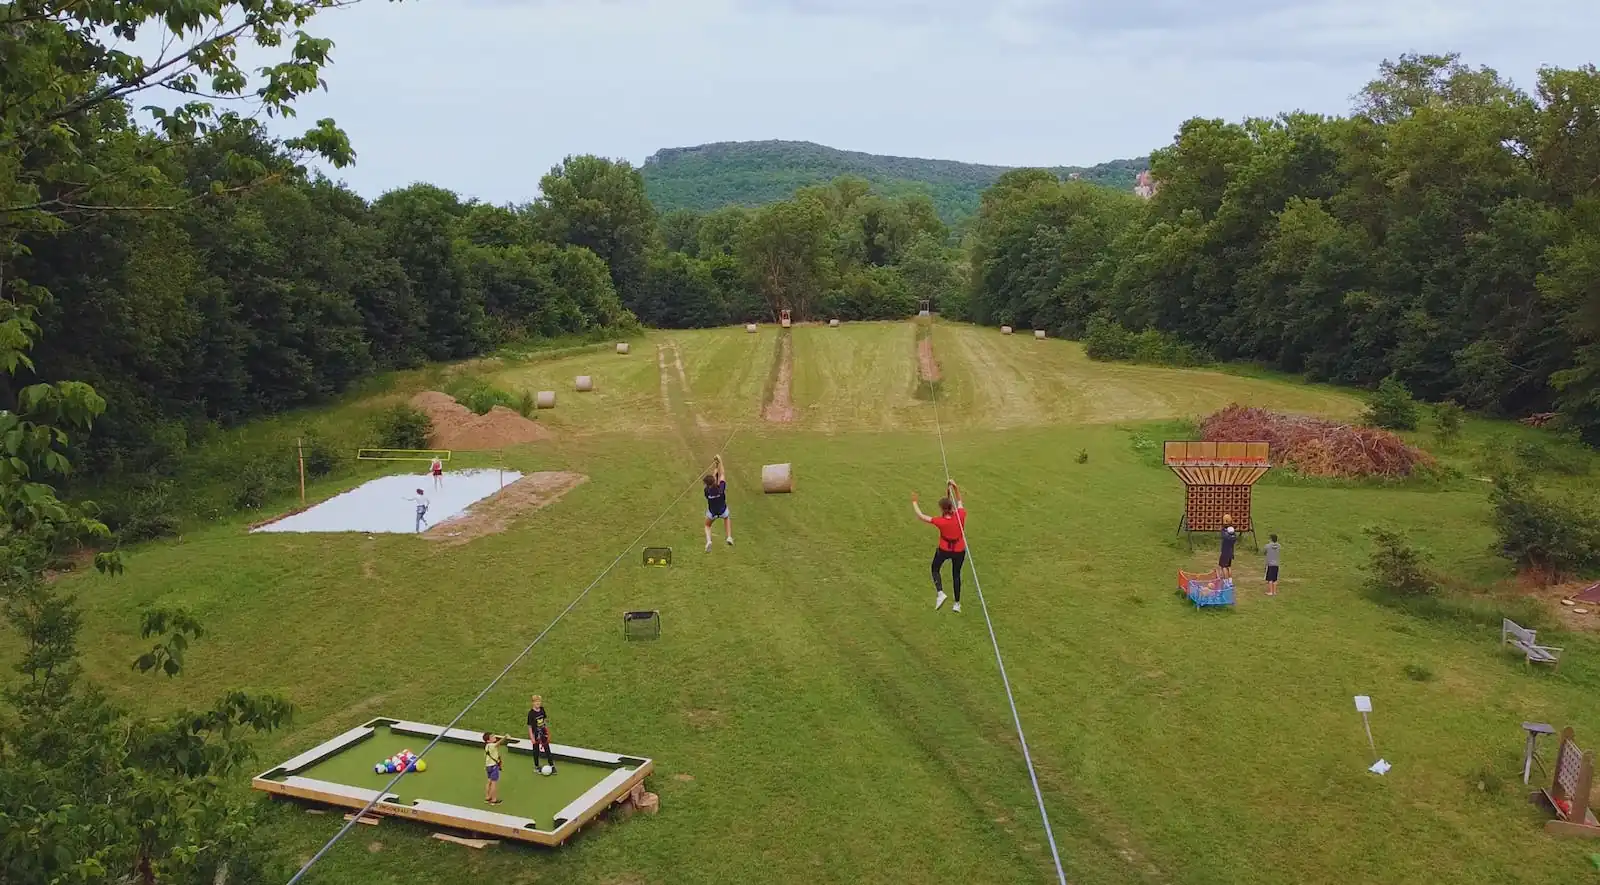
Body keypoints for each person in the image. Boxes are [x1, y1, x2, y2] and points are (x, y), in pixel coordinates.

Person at [913, 480, 966, 613]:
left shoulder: (940, 521)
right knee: (956, 574)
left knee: (935, 568)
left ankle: (940, 593)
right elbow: (959, 500)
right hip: (959, 550)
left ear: (942, 509)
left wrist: (914, 502)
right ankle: (957, 604)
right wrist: (955, 487)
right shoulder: (960, 515)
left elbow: (921, 516)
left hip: (944, 550)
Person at [703, 455, 733, 552]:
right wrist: (720, 461)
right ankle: (728, 537)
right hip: (722, 510)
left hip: (712, 512)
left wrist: (716, 466)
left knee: (707, 526)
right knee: (727, 517)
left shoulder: (707, 490)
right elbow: (722, 474)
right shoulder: (721, 488)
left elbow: (713, 479)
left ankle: (708, 541)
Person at [527, 694, 556, 774]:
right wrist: (532, 737)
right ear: (533, 703)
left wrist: (547, 732)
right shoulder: (531, 713)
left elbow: (544, 721)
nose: (538, 703)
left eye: (539, 702)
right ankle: (536, 766)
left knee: (547, 748)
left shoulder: (542, 709)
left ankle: (552, 765)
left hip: (543, 733)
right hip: (536, 734)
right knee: (536, 750)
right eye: (536, 702)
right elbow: (529, 726)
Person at [483, 732, 505, 805]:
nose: (494, 737)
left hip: (488, 766)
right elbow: (498, 744)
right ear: (488, 740)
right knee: (493, 783)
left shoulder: (487, 746)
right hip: (493, 766)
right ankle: (494, 799)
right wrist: (505, 738)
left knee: (489, 781)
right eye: (492, 737)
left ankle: (487, 797)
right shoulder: (492, 745)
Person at [1218, 515, 1238, 580]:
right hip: (1231, 552)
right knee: (1229, 566)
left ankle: (1226, 581)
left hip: (1225, 552)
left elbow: (1223, 535)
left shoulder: (1224, 531)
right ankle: (1230, 581)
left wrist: (1222, 528)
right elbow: (1234, 538)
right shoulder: (1232, 531)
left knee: (1223, 567)